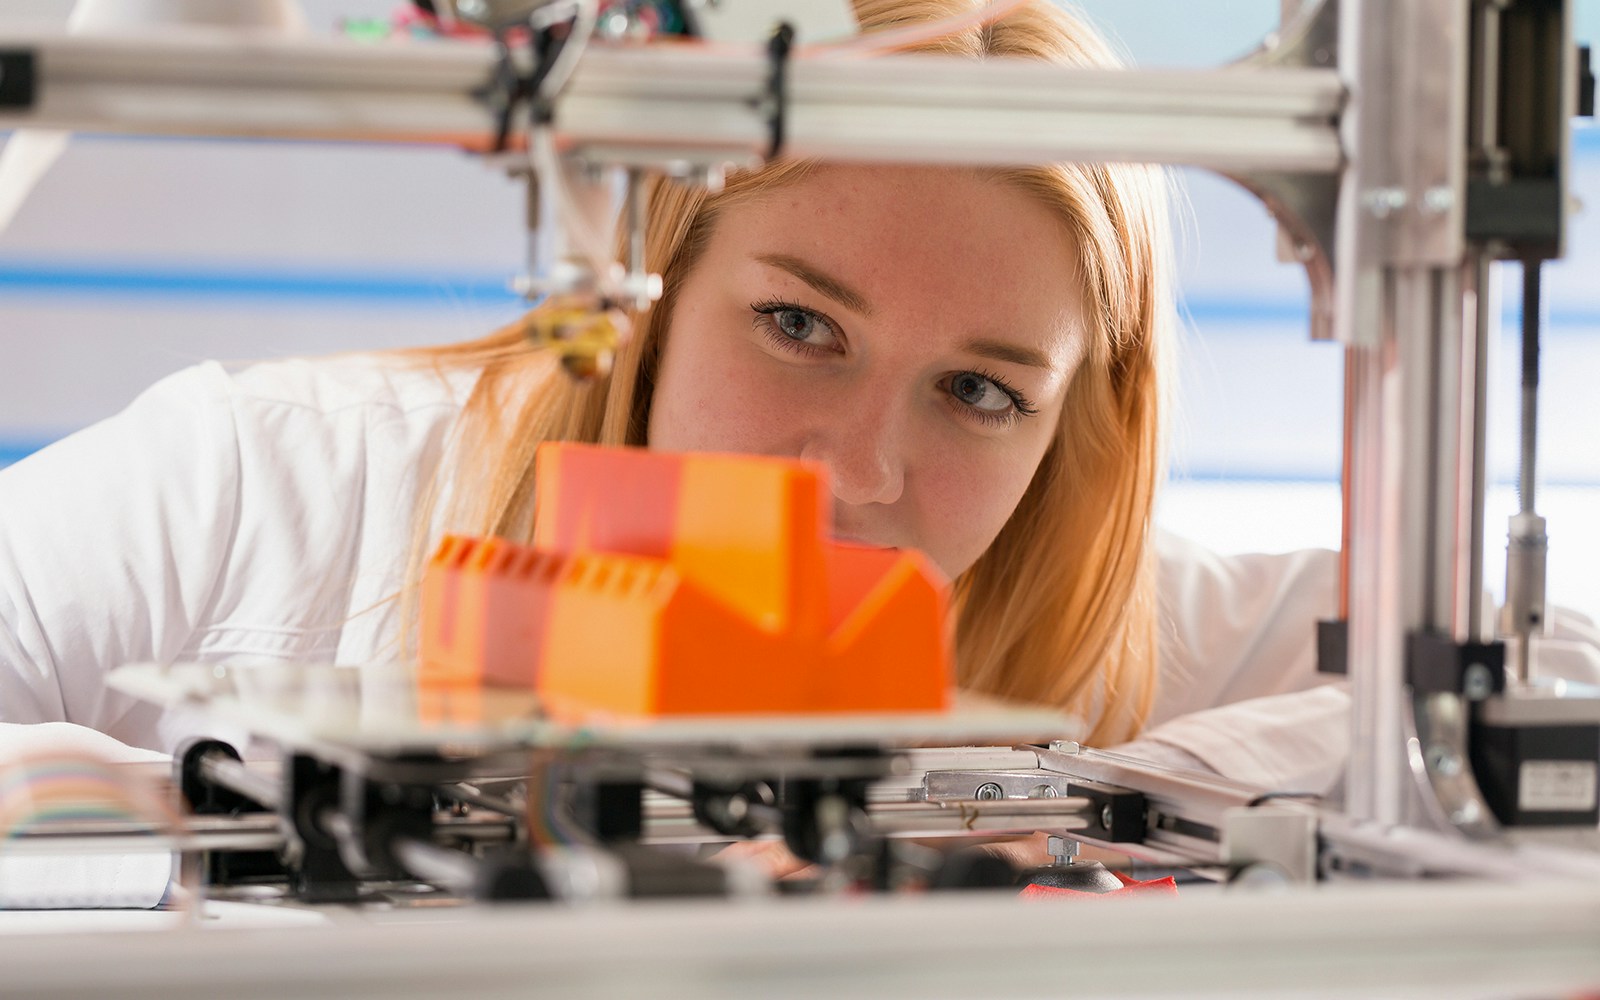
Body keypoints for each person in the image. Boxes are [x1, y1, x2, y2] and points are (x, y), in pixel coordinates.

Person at [0, 0, 1356, 801]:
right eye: (797, 324)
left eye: (979, 392)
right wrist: (246, 809)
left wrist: (1088, 800)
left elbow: (1546, 685)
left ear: (1072, 430)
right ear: (654, 280)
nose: (859, 475)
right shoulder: (262, 486)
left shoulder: (1096, 627)